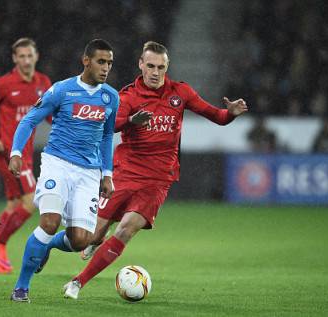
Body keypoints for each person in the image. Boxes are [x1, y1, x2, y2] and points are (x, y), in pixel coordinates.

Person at [62, 41, 248, 299]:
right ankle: (78, 242)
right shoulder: (127, 96)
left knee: (126, 229)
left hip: (158, 179)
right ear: (141, 64)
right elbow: (109, 126)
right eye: (150, 66)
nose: (155, 72)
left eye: (161, 67)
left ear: (167, 67)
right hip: (125, 173)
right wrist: (130, 121)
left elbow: (215, 114)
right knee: (90, 235)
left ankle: (77, 283)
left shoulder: (180, 92)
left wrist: (230, 114)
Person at [8, 39, 119, 303]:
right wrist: (15, 153)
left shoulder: (111, 97)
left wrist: (107, 174)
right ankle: (21, 287)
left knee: (81, 240)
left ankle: (45, 245)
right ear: (86, 61)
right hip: (57, 163)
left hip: (89, 173)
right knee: (49, 222)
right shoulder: (62, 90)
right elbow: (30, 119)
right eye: (101, 62)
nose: (106, 68)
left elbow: (106, 137)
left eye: (110, 63)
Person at [0, 38, 52, 274]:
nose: (26, 60)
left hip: (26, 153)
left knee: (13, 205)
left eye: (30, 56)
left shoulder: (43, 83)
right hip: (9, 153)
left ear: (36, 56)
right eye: (22, 56)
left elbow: (49, 115)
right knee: (31, 201)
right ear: (14, 58)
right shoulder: (3, 84)